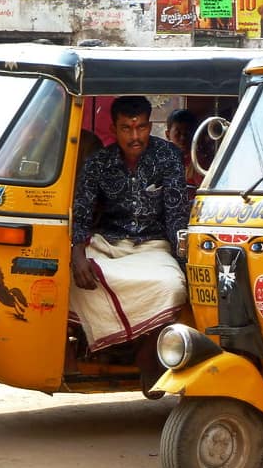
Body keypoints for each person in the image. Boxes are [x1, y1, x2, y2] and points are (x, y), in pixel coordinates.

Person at [70, 96, 189, 354]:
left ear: (150, 125)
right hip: (108, 245)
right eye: (126, 128)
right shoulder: (98, 163)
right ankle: (103, 349)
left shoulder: (168, 157)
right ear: (114, 129)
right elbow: (81, 214)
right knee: (71, 282)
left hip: (153, 247)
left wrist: (186, 266)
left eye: (142, 127)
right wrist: (77, 255)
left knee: (172, 286)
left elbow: (177, 216)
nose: (135, 136)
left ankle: (147, 350)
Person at [164, 108, 205, 187]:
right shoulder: (161, 160)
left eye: (187, 133)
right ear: (167, 135)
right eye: (178, 133)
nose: (183, 138)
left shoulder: (199, 162)